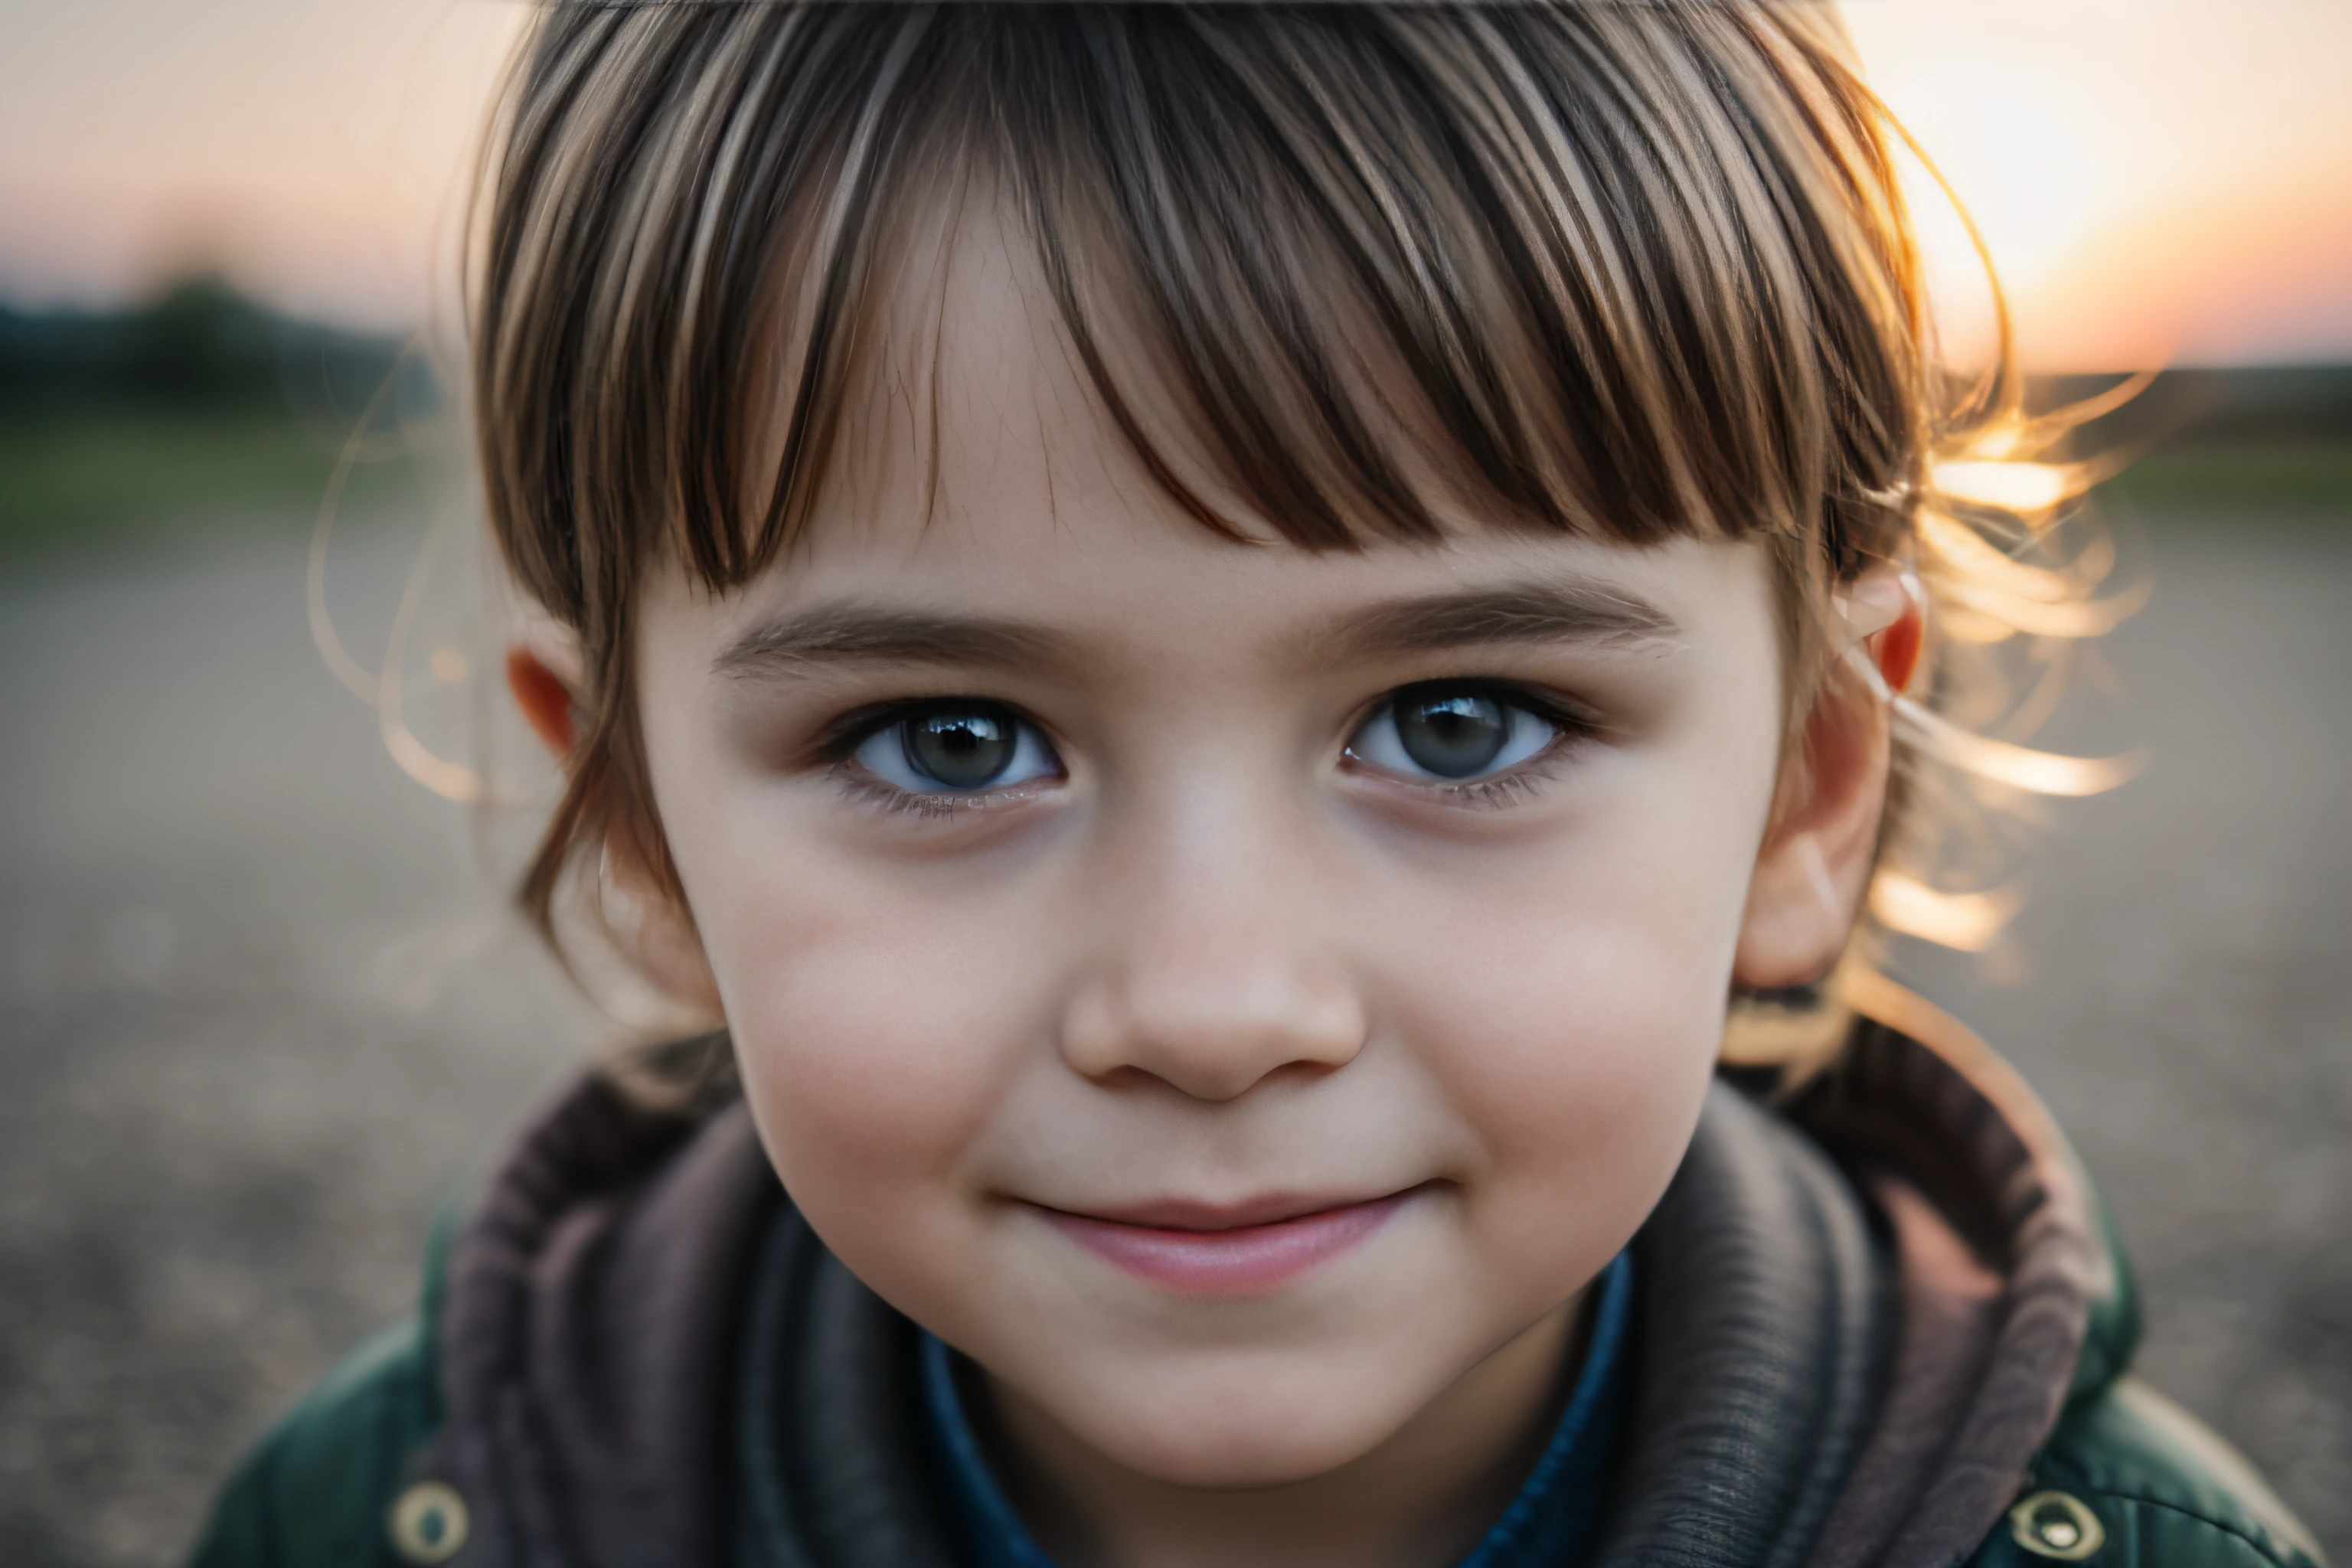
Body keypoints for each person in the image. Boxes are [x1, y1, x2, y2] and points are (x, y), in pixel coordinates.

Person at [188, 4, 2324, 1566]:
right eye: (951, 742)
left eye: (1459, 720)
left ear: (1809, 787)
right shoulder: (372, 1524)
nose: (1214, 1009)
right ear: (642, 831)